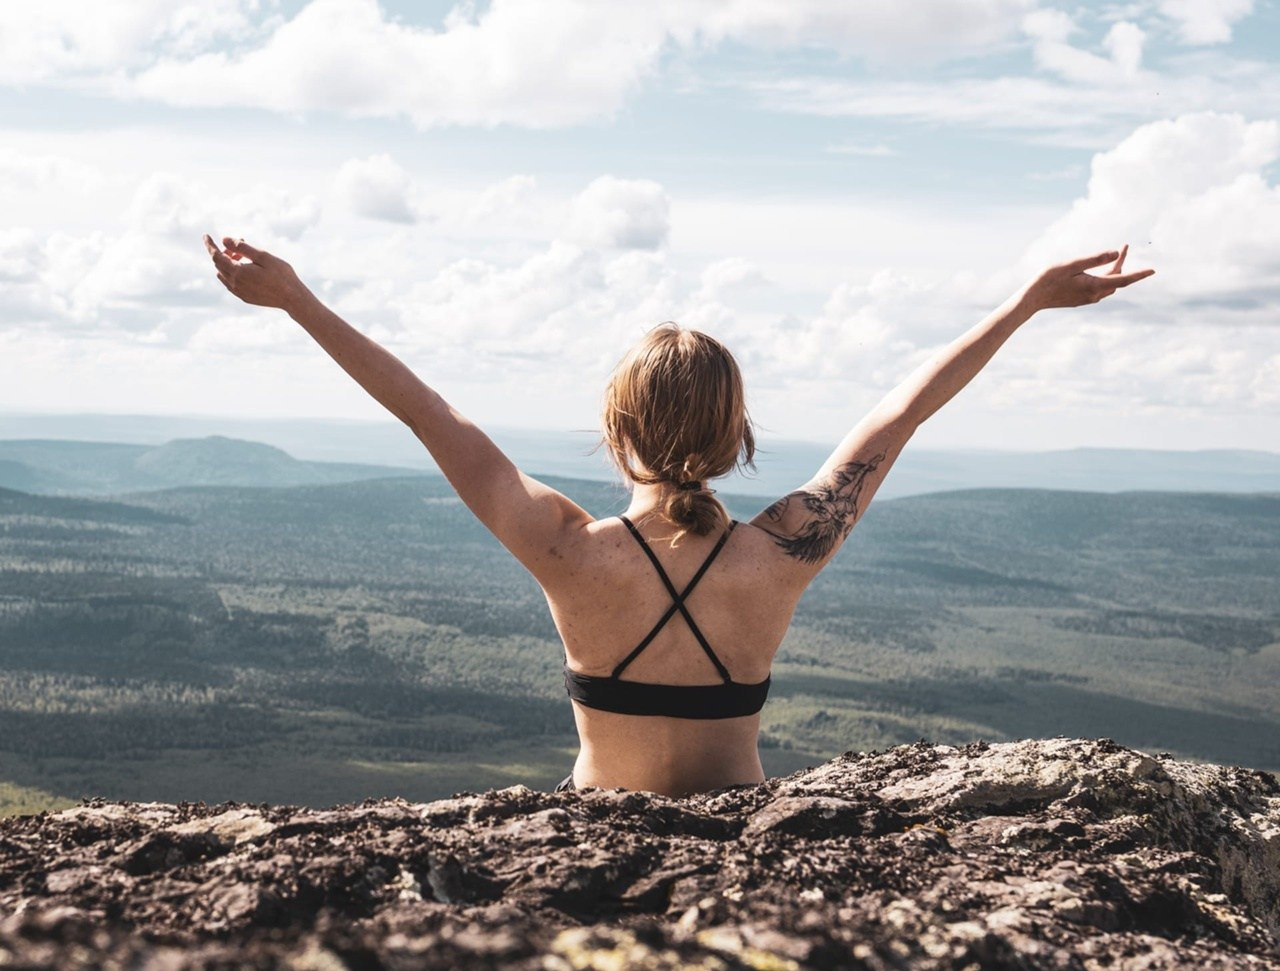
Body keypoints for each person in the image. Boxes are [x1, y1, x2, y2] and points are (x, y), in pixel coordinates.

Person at [202, 234, 1154, 798]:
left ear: (615, 431)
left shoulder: (563, 546)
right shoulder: (783, 551)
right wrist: (1027, 301)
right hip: (742, 835)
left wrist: (295, 300)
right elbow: (900, 413)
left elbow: (427, 413)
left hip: (587, 832)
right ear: (738, 432)